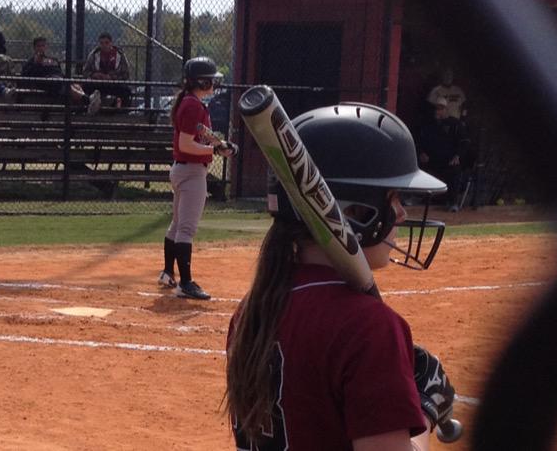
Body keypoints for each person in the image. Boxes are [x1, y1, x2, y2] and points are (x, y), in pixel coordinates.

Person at [225, 101, 458, 451]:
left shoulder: (253, 308)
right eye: (393, 198)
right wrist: (425, 408)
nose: (402, 213)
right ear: (355, 212)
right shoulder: (368, 326)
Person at [160, 57, 234, 300]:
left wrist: (220, 143)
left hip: (184, 170)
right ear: (200, 81)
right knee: (186, 229)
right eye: (210, 79)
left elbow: (200, 132)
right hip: (191, 171)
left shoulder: (191, 102)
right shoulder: (192, 105)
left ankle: (168, 273)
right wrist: (215, 150)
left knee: (177, 224)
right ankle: (186, 283)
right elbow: (186, 144)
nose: (213, 83)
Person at [20, 36, 101, 115]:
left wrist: (69, 80)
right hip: (47, 83)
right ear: (34, 47)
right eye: (39, 46)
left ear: (46, 47)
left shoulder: (52, 59)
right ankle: (88, 100)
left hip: (59, 81)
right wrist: (36, 64)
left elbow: (59, 72)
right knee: (65, 84)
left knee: (74, 85)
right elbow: (25, 75)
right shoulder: (31, 62)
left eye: (43, 45)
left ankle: (86, 106)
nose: (41, 48)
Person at [82, 32, 133, 108]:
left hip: (114, 84)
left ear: (111, 43)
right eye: (101, 43)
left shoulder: (119, 55)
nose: (104, 45)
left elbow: (126, 74)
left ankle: (121, 110)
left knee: (126, 91)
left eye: (106, 43)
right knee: (86, 87)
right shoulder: (94, 54)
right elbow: (85, 71)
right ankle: (91, 106)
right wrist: (94, 75)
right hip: (98, 84)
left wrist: (112, 77)